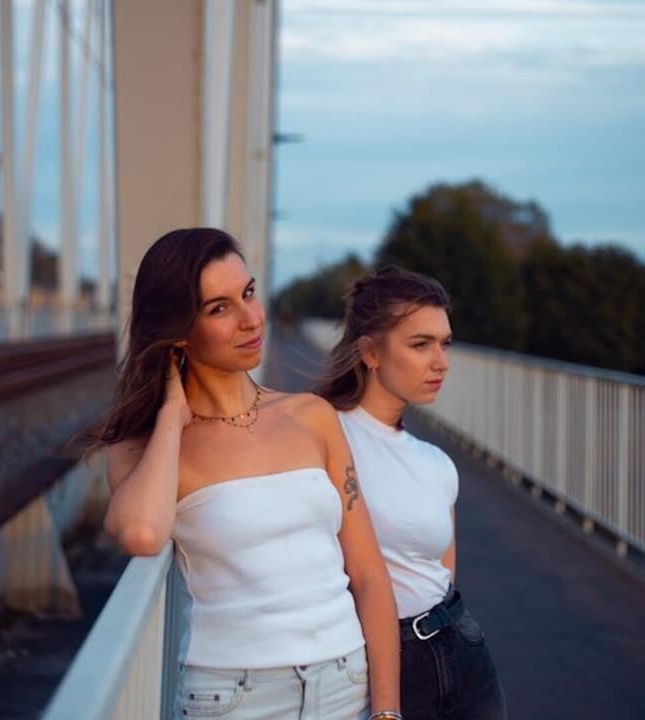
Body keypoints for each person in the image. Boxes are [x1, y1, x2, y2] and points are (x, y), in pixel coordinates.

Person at [91, 228, 402, 720]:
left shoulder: (312, 416)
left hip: (345, 682)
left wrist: (387, 712)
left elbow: (367, 573)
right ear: (177, 331)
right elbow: (141, 532)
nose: (250, 319)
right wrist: (173, 414)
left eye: (249, 293)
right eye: (219, 308)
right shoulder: (145, 447)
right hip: (234, 696)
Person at [317, 265, 507, 720]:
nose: (441, 362)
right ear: (371, 352)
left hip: (461, 650)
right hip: (370, 661)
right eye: (421, 344)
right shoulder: (323, 434)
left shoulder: (438, 465)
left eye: (444, 343)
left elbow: (443, 578)